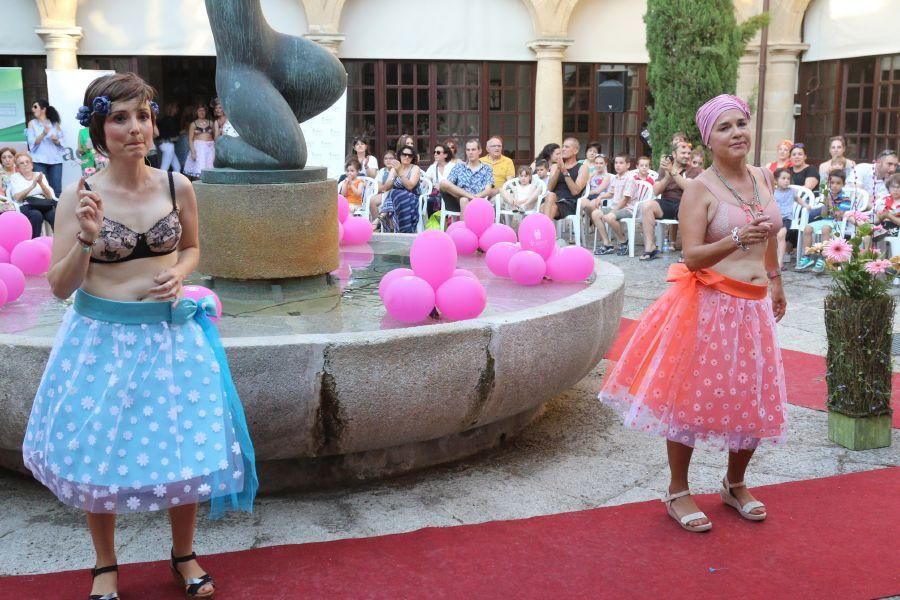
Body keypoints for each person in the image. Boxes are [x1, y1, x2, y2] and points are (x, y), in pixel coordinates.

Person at [21, 72, 257, 600]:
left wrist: (182, 273)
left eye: (143, 116)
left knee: (186, 449)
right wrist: (85, 239)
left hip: (172, 339)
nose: (134, 128)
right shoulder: (78, 195)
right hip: (100, 339)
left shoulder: (178, 186)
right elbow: (59, 286)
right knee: (99, 454)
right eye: (119, 117)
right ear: (98, 128)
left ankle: (184, 554)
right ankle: (105, 564)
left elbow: (192, 247)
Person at [600, 94, 786, 533]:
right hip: (711, 306)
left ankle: (734, 483)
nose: (737, 132)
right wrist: (736, 238)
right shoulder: (700, 187)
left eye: (741, 123)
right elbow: (692, 255)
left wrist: (776, 280)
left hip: (755, 305)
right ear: (709, 138)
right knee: (688, 402)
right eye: (725, 127)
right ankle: (678, 491)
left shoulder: (763, 176)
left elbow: (772, 234)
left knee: (753, 399)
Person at [638, 141, 702, 261]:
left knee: (689, 208)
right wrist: (667, 176)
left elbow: (689, 188)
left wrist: (673, 172)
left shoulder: (694, 170)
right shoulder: (664, 169)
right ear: (674, 154)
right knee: (647, 206)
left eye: (688, 153)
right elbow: (656, 191)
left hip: (684, 203)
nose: (687, 156)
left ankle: (687, 251)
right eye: (683, 153)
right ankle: (650, 248)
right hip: (666, 203)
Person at [797, 169, 851, 273]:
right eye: (832, 183)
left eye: (838, 183)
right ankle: (807, 255)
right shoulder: (827, 195)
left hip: (837, 223)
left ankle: (823, 257)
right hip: (825, 220)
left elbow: (839, 216)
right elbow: (823, 214)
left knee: (825, 228)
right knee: (807, 228)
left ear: (843, 184)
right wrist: (825, 203)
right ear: (828, 183)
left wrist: (831, 203)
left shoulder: (845, 198)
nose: (834, 185)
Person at [590, 153, 635, 256]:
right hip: (616, 207)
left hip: (628, 209)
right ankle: (607, 244)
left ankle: (623, 242)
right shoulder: (615, 177)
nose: (617, 165)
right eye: (616, 163)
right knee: (595, 213)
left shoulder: (630, 178)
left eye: (621, 163)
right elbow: (611, 193)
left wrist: (613, 211)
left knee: (610, 217)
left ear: (628, 165)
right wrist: (600, 197)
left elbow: (625, 199)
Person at [439, 138, 493, 216]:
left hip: (478, 201)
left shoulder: (487, 168)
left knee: (464, 200)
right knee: (443, 183)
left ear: (480, 151)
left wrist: (476, 197)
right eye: (468, 150)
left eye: (473, 150)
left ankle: (464, 228)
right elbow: (448, 184)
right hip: (457, 202)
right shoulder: (459, 166)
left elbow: (488, 190)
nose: (470, 152)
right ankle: (468, 196)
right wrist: (469, 196)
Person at [541, 137, 589, 221]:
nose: (563, 149)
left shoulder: (583, 168)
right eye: (563, 146)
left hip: (569, 202)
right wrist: (558, 170)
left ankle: (546, 231)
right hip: (553, 200)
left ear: (575, 151)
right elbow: (549, 188)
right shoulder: (555, 166)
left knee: (545, 208)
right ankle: (548, 232)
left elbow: (575, 192)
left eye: (567, 147)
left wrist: (564, 171)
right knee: (551, 196)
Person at [9, 152, 57, 237]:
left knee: (53, 214)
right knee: (36, 215)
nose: (25, 164)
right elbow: (17, 197)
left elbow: (49, 196)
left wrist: (41, 183)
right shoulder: (15, 177)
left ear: (32, 164)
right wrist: (32, 186)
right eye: (22, 163)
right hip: (26, 205)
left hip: (42, 204)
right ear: (18, 168)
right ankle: (35, 242)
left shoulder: (39, 175)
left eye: (27, 162)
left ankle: (60, 240)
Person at [26, 99, 66, 198]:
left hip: (55, 161)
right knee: (42, 188)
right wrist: (43, 133)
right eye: (32, 107)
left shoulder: (55, 123)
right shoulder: (32, 123)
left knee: (56, 189)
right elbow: (31, 142)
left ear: (43, 109)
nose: (32, 109)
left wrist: (56, 140)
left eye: (35, 107)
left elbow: (62, 142)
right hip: (38, 161)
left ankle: (57, 212)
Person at [379, 144, 421, 232]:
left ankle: (380, 217)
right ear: (399, 156)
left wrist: (400, 172)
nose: (406, 157)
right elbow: (387, 187)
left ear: (413, 157)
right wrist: (393, 176)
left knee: (394, 192)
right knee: (394, 192)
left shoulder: (415, 168)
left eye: (410, 155)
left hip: (412, 198)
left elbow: (410, 186)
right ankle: (383, 219)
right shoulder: (394, 169)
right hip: (396, 199)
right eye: (404, 154)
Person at [772, 168, 799, 267]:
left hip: (786, 218)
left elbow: (798, 199)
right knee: (772, 238)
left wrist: (807, 206)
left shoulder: (791, 191)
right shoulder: (772, 191)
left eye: (788, 178)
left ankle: (780, 262)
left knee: (781, 235)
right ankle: (771, 260)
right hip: (774, 218)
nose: (786, 180)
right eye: (783, 178)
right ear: (776, 180)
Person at [183, 104, 215, 180]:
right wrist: (193, 152)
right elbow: (190, 139)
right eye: (200, 110)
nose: (202, 112)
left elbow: (215, 136)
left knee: (210, 166)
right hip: (199, 148)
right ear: (196, 112)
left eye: (203, 110)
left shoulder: (211, 123)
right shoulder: (193, 124)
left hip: (210, 147)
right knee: (199, 168)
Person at [369, 150, 396, 222]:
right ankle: (377, 223)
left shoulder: (396, 170)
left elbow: (389, 185)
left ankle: (384, 224)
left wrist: (384, 187)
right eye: (386, 158)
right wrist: (384, 187)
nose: (388, 160)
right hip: (384, 193)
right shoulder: (382, 171)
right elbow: (378, 187)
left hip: (394, 193)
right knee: (372, 200)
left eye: (391, 158)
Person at [156, 102, 182, 173]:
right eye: (175, 108)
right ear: (172, 109)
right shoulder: (171, 120)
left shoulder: (164, 120)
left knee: (177, 167)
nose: (177, 109)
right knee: (164, 168)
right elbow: (174, 134)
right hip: (168, 144)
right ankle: (160, 183)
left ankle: (176, 183)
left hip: (165, 144)